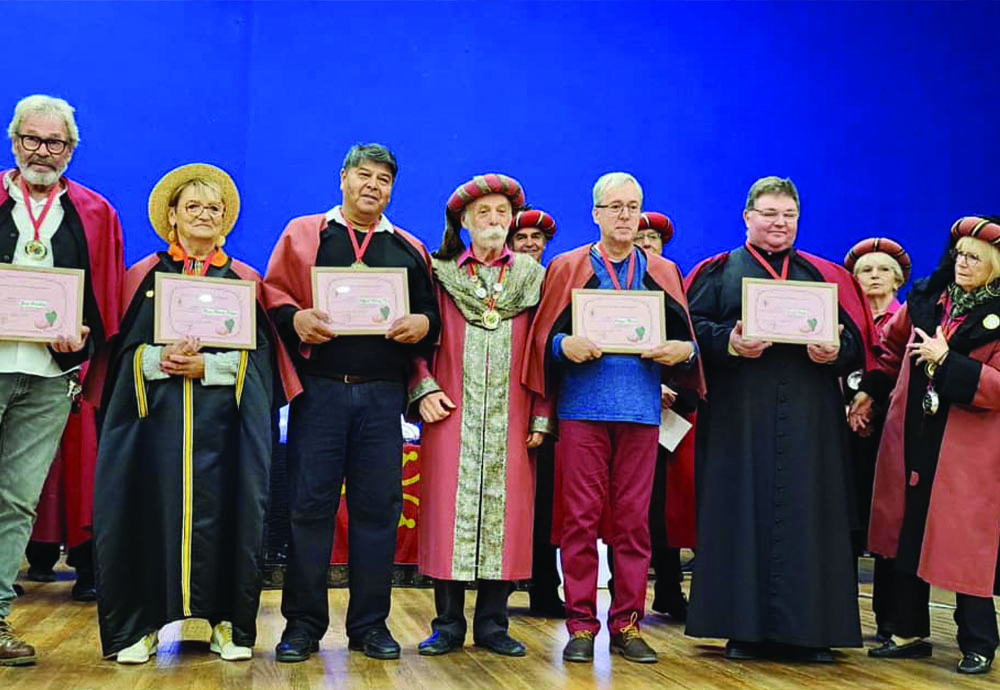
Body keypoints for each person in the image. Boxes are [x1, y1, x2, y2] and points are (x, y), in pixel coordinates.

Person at [94, 163, 297, 664]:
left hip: (225, 433)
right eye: (193, 207)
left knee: (232, 517)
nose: (205, 215)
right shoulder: (142, 277)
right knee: (141, 513)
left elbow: (262, 364)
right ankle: (139, 627)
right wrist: (157, 359)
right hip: (152, 430)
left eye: (214, 208)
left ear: (226, 219)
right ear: (171, 216)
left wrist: (209, 365)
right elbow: (120, 360)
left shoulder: (244, 280)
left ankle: (227, 624)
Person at [684, 176, 876, 662]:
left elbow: (857, 346)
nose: (779, 223)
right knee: (738, 512)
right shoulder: (718, 272)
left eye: (788, 215)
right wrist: (730, 341)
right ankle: (740, 629)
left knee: (812, 516)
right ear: (748, 217)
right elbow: (689, 331)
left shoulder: (825, 275)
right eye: (769, 214)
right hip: (739, 419)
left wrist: (835, 352)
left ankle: (810, 633)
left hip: (812, 425)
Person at [263, 143, 439, 662]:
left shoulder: (408, 247)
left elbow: (432, 314)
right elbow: (273, 294)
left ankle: (370, 625)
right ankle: (302, 626)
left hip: (382, 395)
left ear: (393, 189)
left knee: (377, 512)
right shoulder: (304, 233)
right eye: (363, 175)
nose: (373, 186)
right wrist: (294, 318)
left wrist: (422, 324)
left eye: (384, 179)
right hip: (318, 391)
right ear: (342, 178)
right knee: (308, 509)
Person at [524, 173, 704, 664]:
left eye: (633, 207)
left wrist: (680, 350)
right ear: (596, 214)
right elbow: (541, 340)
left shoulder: (663, 271)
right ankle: (581, 624)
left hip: (642, 414)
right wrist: (565, 345)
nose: (625, 216)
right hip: (582, 412)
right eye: (615, 207)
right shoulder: (567, 266)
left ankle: (627, 624)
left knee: (633, 526)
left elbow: (688, 346)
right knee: (578, 523)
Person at [0, 94, 124, 667]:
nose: (42, 152)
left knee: (17, 500)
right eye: (32, 139)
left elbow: (104, 299)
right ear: (14, 140)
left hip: (49, 377)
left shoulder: (95, 212)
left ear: (71, 151)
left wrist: (83, 334)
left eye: (55, 143)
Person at [850, 216, 1000, 675]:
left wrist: (947, 361)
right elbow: (890, 352)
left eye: (976, 257)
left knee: (963, 541)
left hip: (966, 446)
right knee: (906, 532)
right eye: (960, 254)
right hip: (911, 433)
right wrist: (869, 392)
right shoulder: (925, 302)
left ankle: (978, 641)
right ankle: (908, 630)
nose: (964, 263)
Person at [411, 173, 551, 657]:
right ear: (464, 220)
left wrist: (541, 413)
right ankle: (447, 623)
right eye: (483, 213)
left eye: (501, 213)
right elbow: (416, 337)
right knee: (448, 512)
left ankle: (494, 623)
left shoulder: (534, 277)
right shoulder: (439, 271)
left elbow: (542, 348)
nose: (494, 220)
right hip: (452, 411)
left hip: (514, 412)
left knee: (507, 515)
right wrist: (421, 386)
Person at [843, 236, 911, 642]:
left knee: (888, 526)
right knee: (846, 525)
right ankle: (841, 616)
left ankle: (889, 620)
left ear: (898, 279)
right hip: (845, 433)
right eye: (865, 269)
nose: (873, 275)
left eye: (882, 269)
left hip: (893, 433)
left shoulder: (911, 323)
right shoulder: (845, 322)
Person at [507, 207, 564, 617]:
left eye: (536, 239)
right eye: (521, 237)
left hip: (549, 402)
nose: (529, 244)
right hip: (505, 400)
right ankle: (502, 587)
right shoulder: (498, 285)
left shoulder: (556, 285)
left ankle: (546, 588)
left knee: (545, 504)